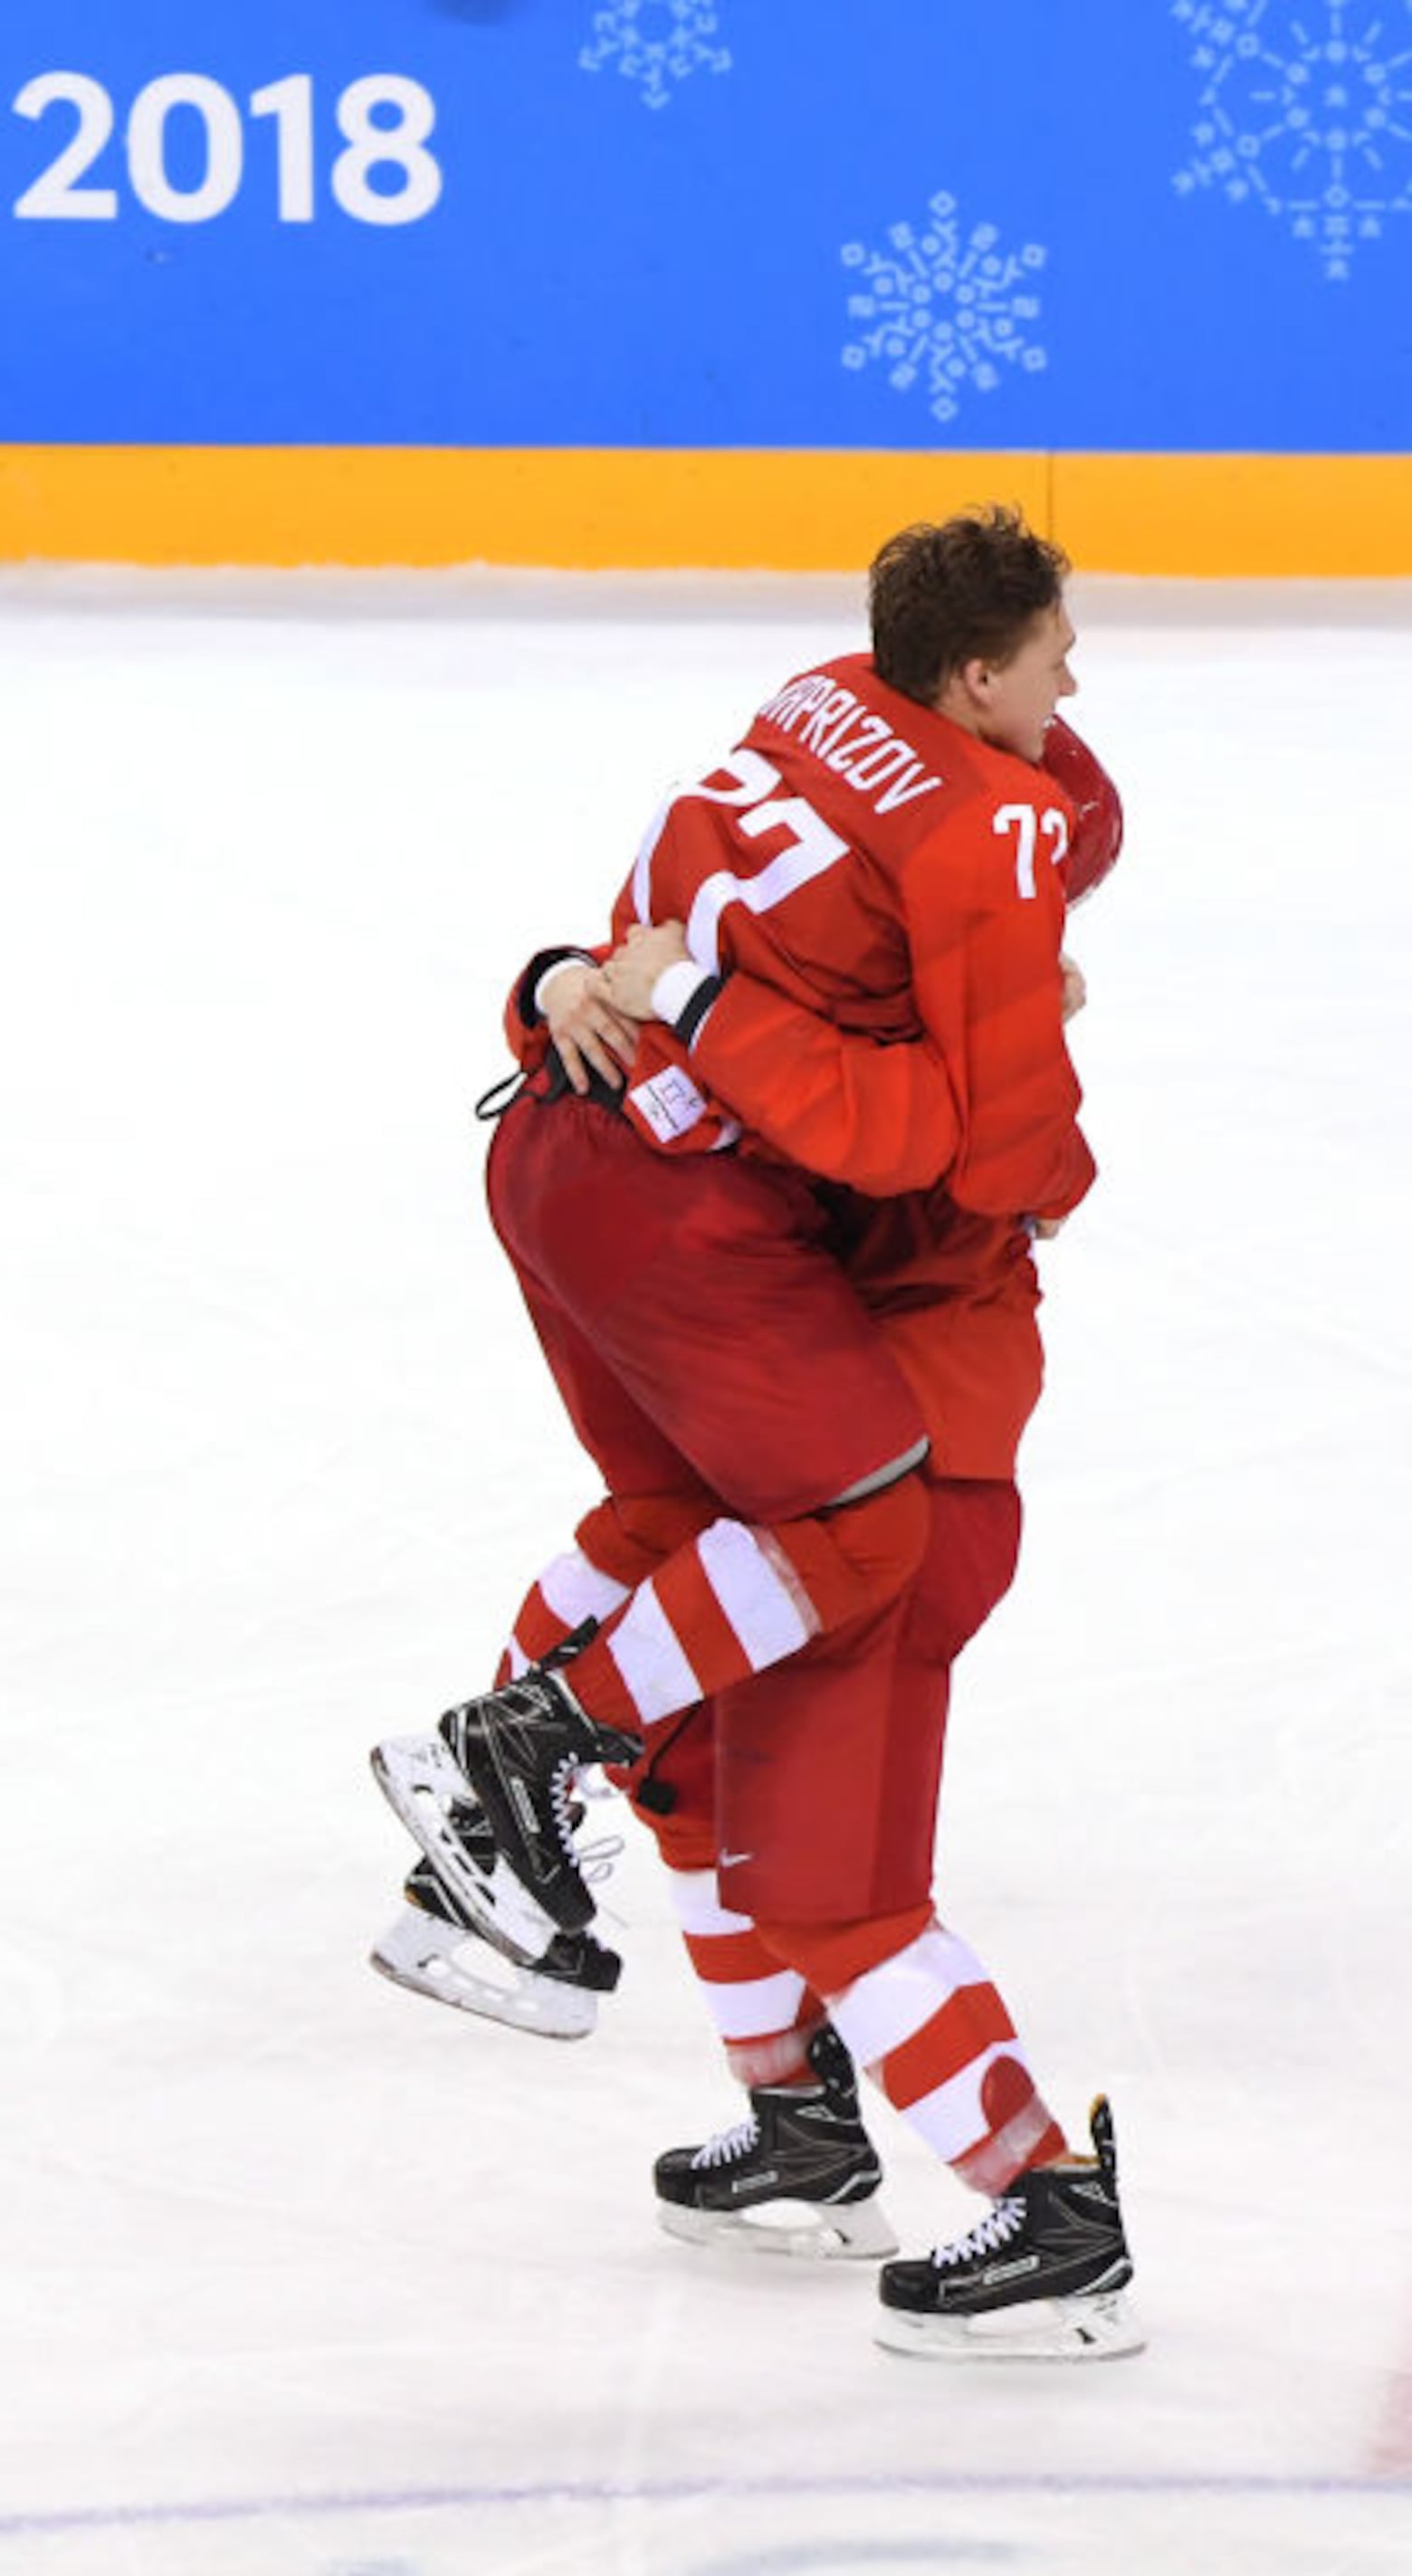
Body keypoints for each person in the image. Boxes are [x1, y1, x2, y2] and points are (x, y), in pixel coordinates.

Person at [369, 507, 1139, 2361]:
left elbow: (958, 1130)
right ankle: (796, 2127)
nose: (1074, 686)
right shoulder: (948, 908)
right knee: (700, 1783)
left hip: (900, 1496)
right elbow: (1023, 837)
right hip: (808, 1482)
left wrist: (642, 990)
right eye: (1048, 660)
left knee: (843, 1897)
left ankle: (1053, 2212)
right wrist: (576, 982)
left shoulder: (950, 1110)